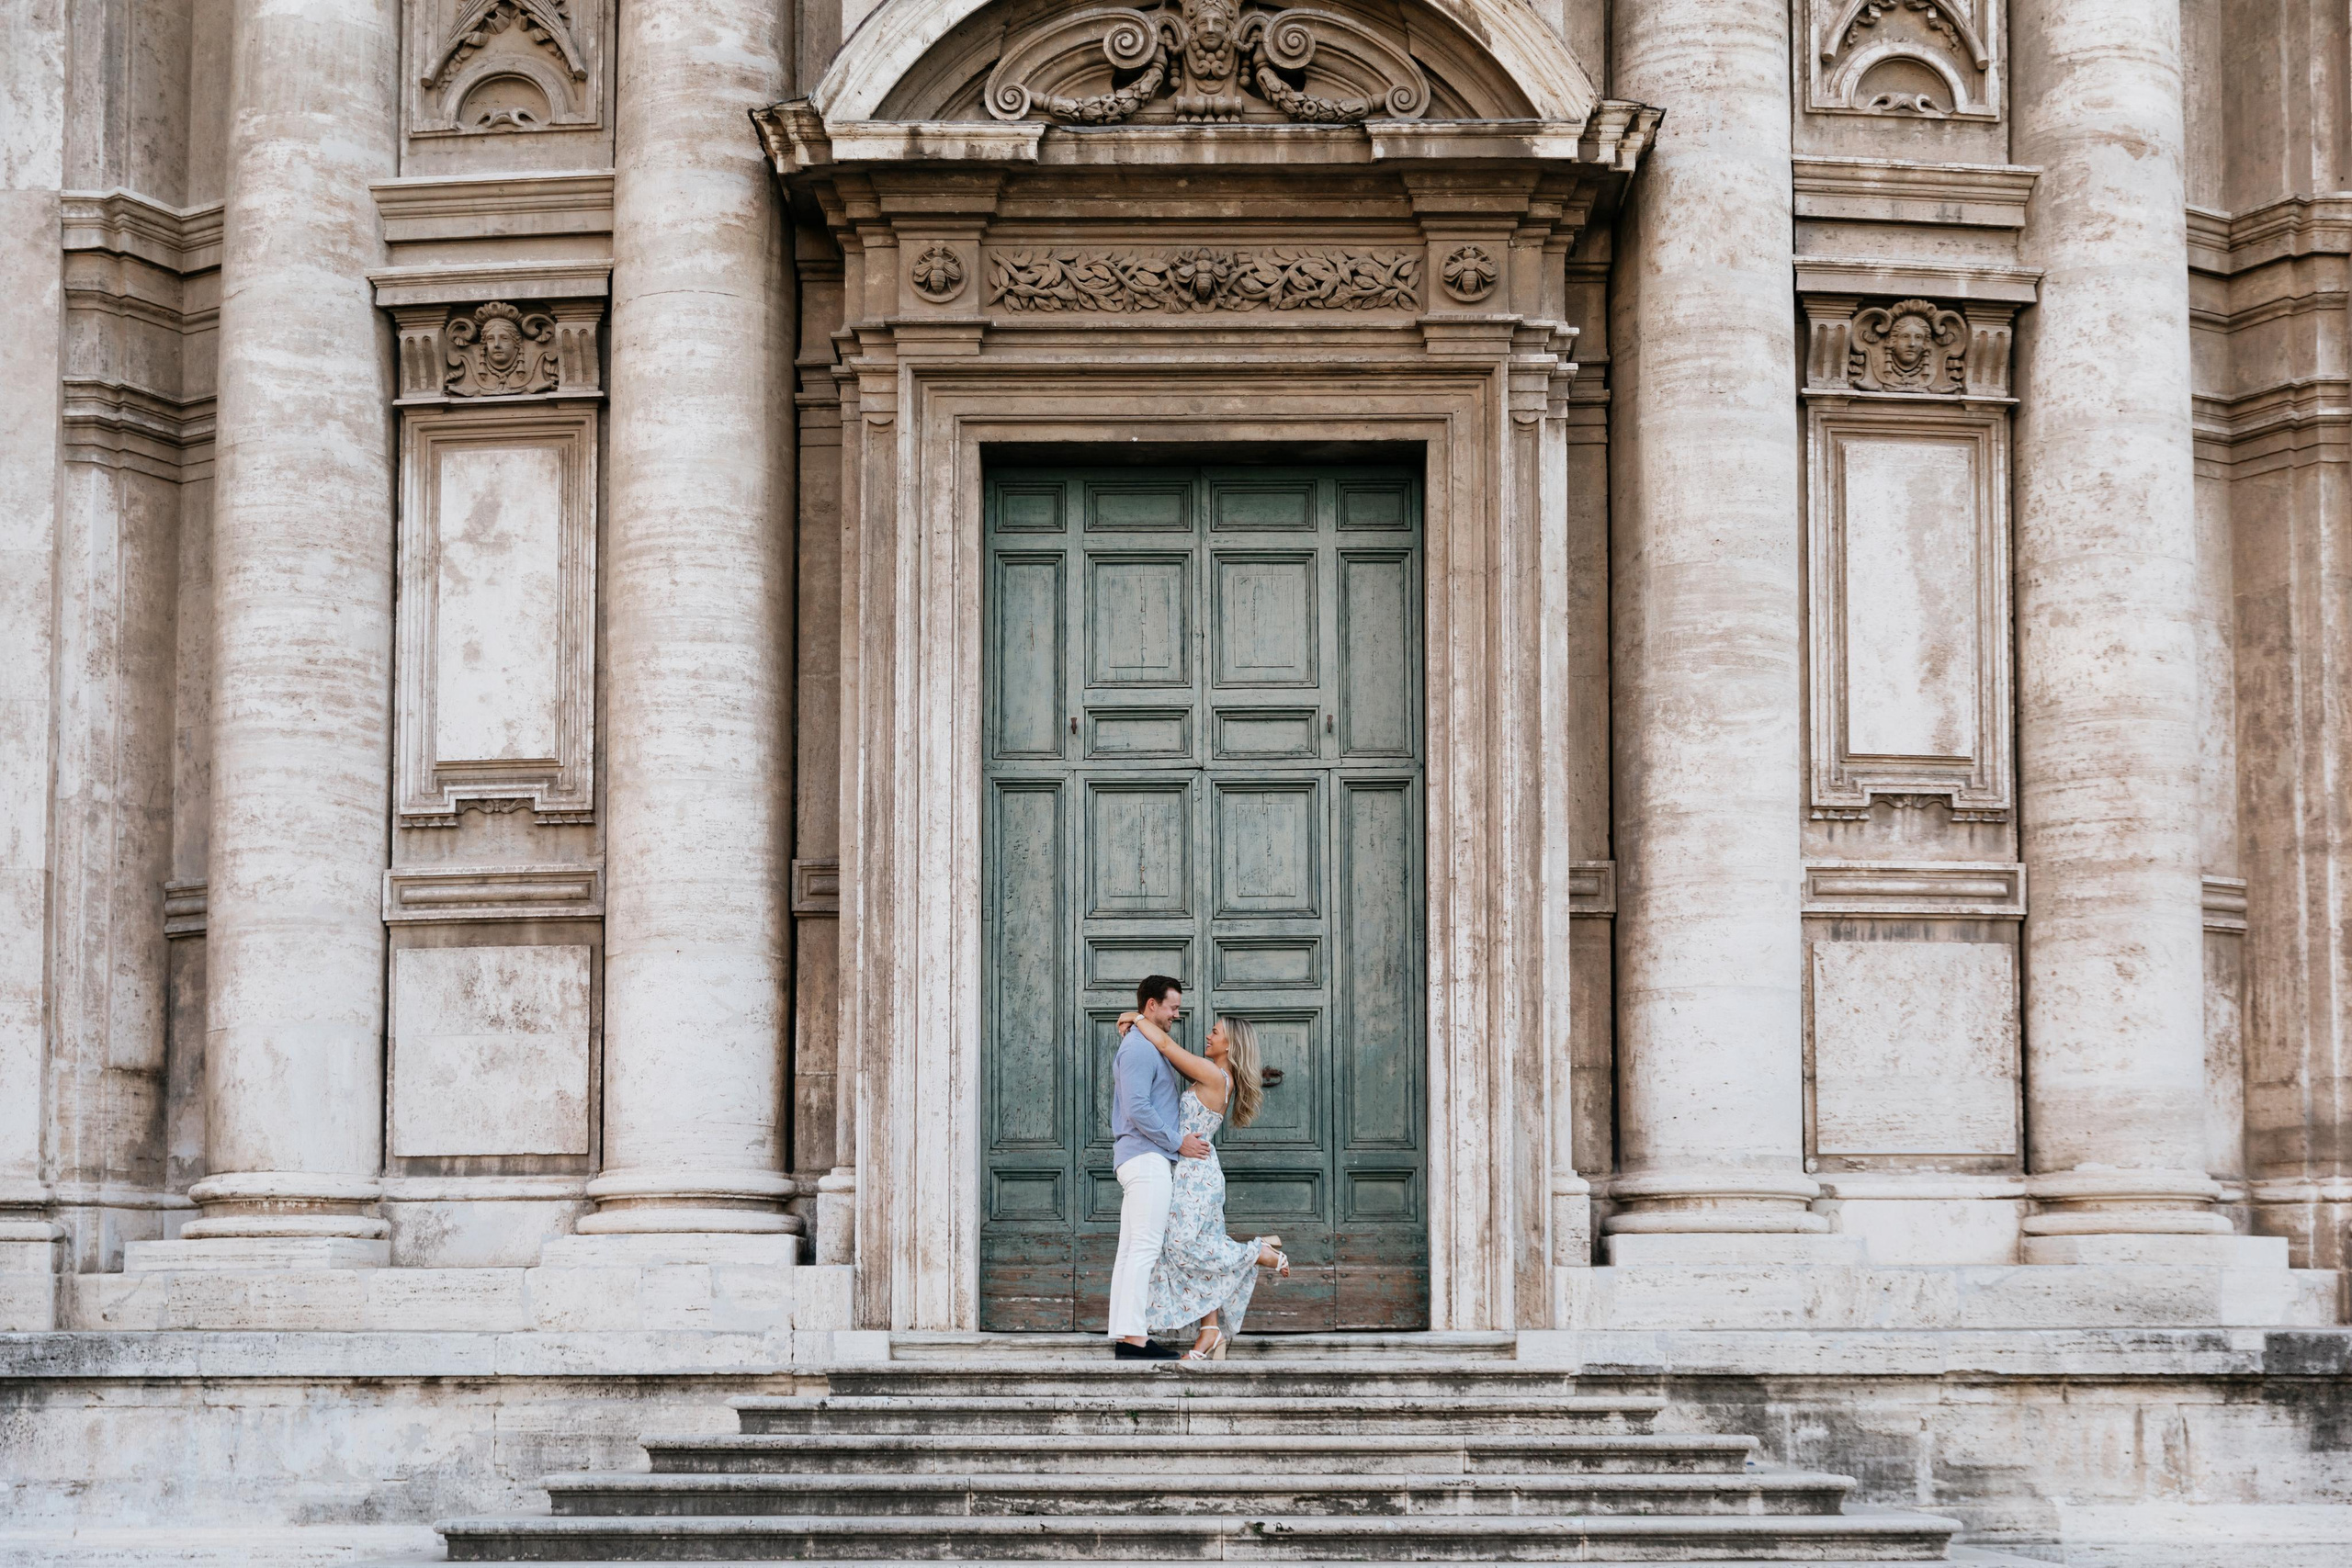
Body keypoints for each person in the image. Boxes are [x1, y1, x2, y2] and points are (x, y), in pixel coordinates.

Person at [1115, 1007, 1290, 1360]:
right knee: (1198, 1246)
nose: (1209, 1035)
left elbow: (1164, 1044)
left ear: (1230, 1045)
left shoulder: (1213, 1074)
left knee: (1182, 1248)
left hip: (1195, 1174)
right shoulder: (1218, 1076)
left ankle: (1257, 1252)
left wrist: (1135, 1017)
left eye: (1215, 1032)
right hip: (1196, 1170)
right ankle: (1209, 1331)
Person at [1105, 975, 1209, 1360]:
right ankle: (1135, 1339)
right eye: (1172, 1007)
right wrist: (1177, 1141)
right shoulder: (1139, 1049)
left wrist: (1132, 1018)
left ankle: (1125, 1335)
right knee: (1143, 1248)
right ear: (1152, 1005)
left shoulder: (1143, 1041)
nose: (1175, 1015)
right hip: (1146, 1158)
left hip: (1142, 1157)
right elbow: (1137, 1108)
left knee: (1132, 1250)